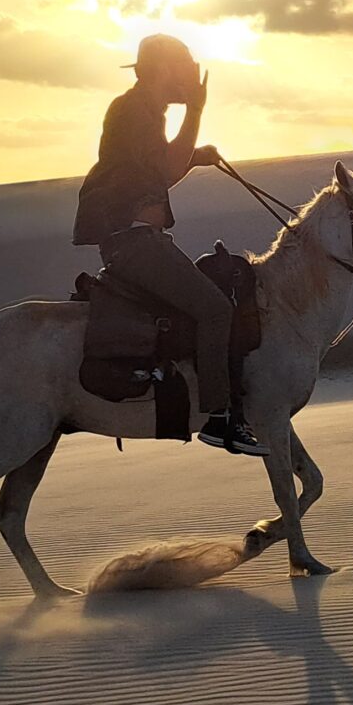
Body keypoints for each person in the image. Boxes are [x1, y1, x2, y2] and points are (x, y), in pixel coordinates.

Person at [74, 33, 267, 456]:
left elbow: (156, 169)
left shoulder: (143, 110)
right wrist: (196, 112)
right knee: (216, 309)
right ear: (164, 70)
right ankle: (219, 418)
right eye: (186, 68)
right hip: (136, 242)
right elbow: (162, 170)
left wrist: (194, 154)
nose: (193, 77)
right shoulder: (135, 108)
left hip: (140, 239)